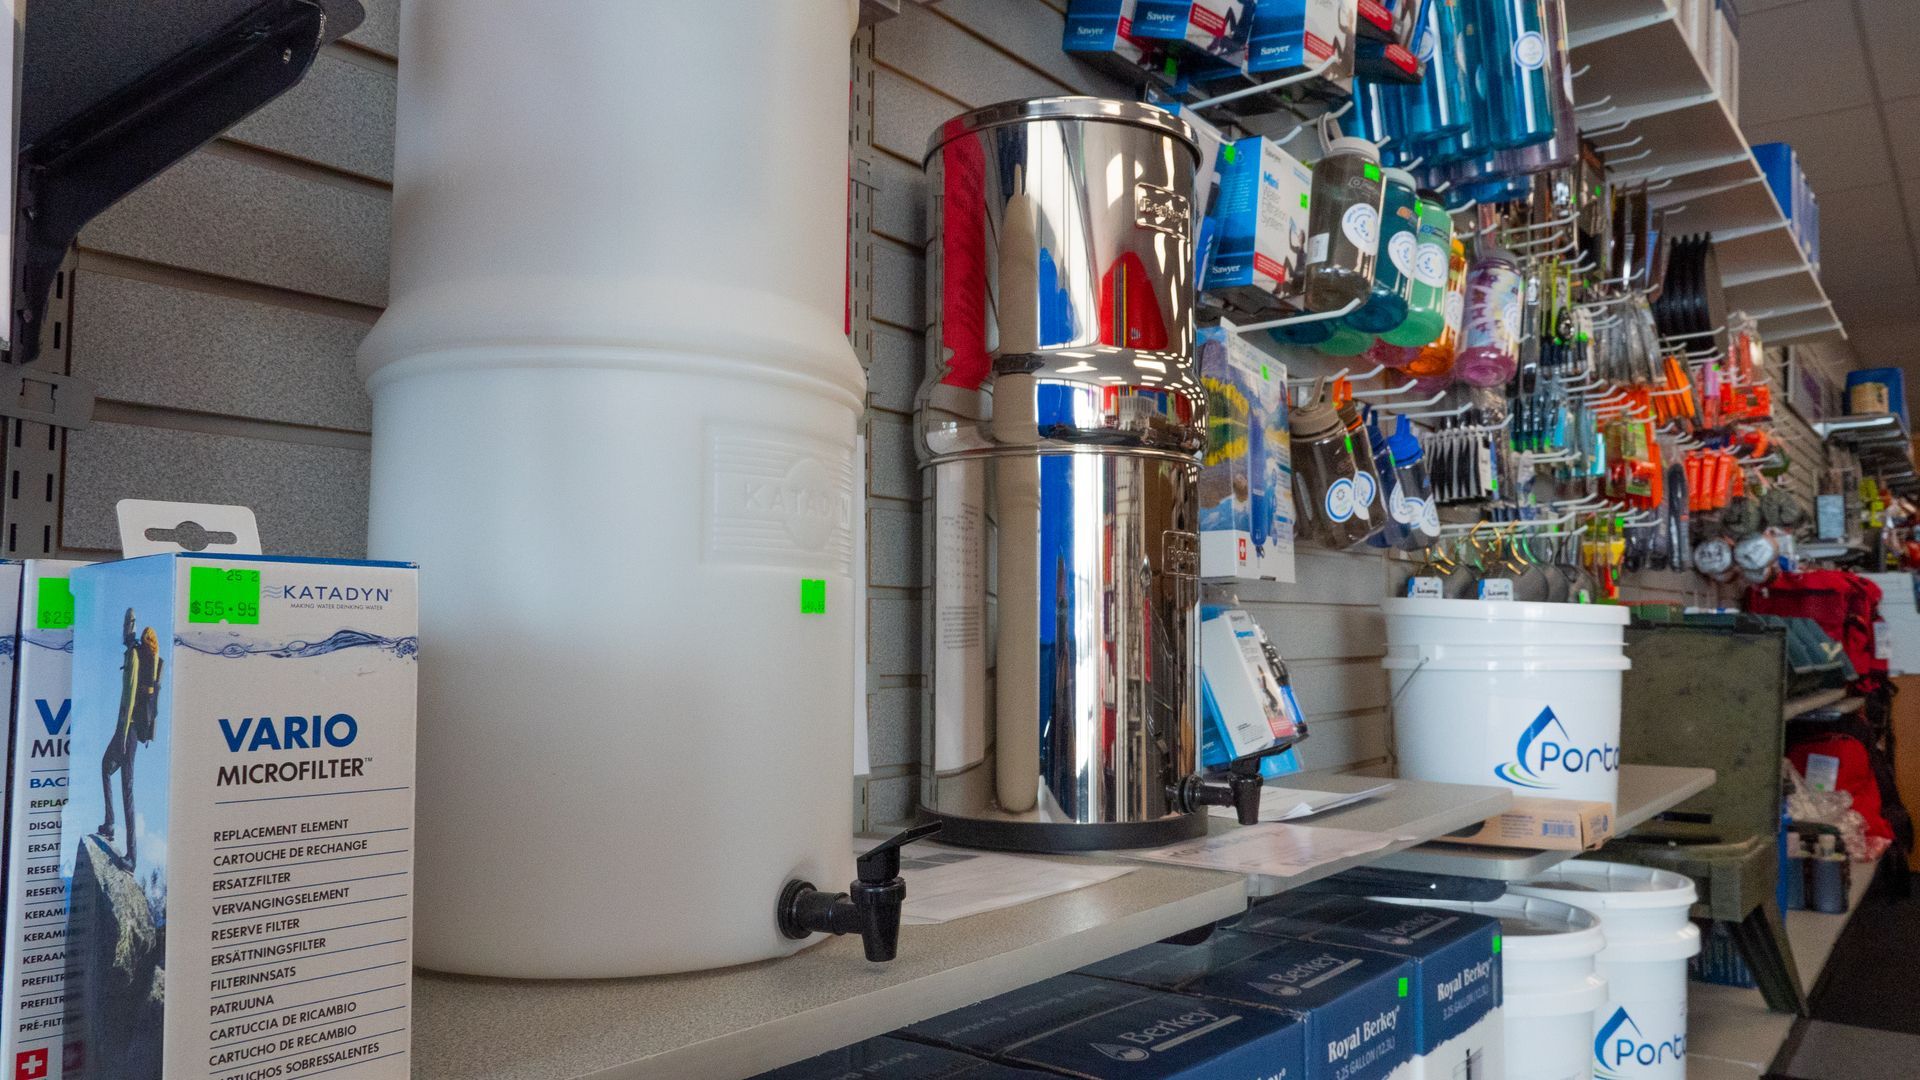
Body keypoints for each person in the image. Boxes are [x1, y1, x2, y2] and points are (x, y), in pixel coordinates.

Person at [98, 608, 162, 867]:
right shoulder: (135, 653)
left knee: (125, 786)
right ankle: (112, 824)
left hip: (129, 730)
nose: (124, 630)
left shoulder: (134, 656)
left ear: (130, 630)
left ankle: (131, 853)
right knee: (116, 777)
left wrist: (122, 736)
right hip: (132, 730)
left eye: (127, 626)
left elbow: (130, 696)